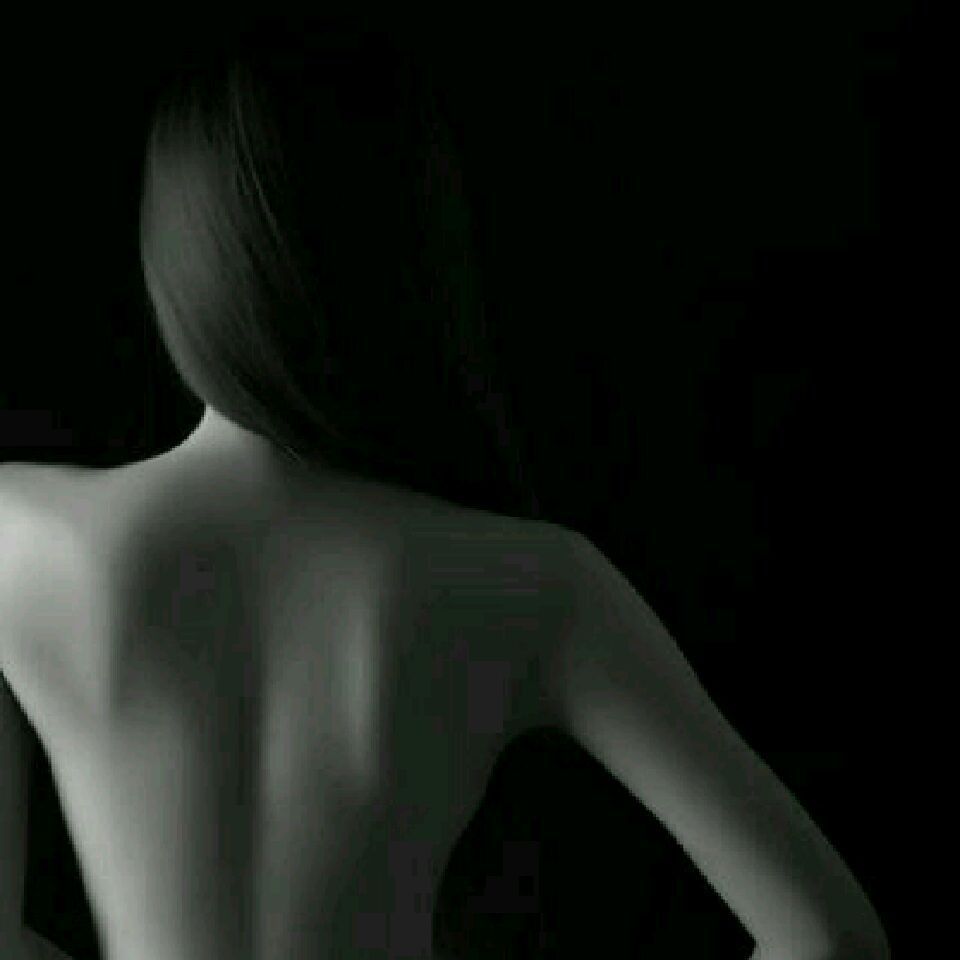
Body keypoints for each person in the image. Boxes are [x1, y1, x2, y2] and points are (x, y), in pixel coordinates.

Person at [1, 12, 889, 960]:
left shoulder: (18, 537)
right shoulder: (536, 585)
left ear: (175, 264)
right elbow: (828, 938)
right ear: (407, 260)